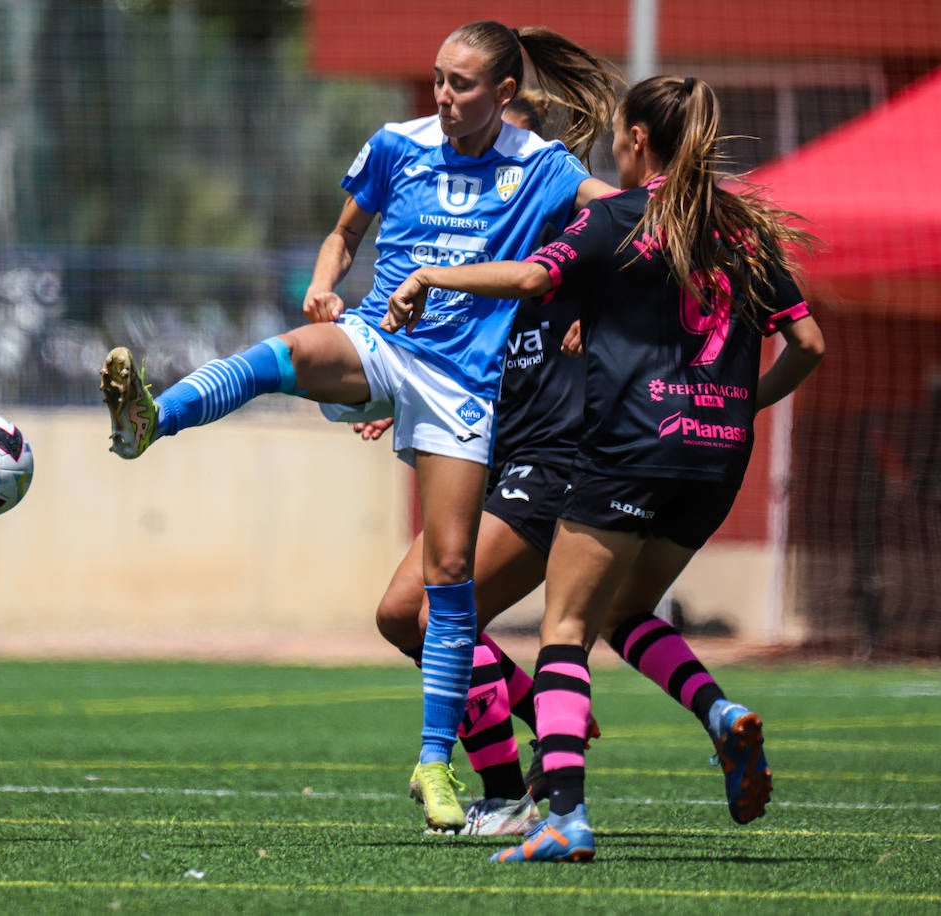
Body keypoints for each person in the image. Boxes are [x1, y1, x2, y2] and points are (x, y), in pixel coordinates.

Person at [98, 21, 620, 834]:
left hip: (459, 387)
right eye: (439, 78)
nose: (444, 97)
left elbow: (624, 218)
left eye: (464, 84)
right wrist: (320, 282)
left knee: (447, 579)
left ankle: (435, 765)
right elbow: (345, 233)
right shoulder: (395, 144)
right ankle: (151, 421)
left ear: (505, 94)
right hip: (382, 339)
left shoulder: (544, 169)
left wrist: (681, 216)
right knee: (289, 352)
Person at [383, 74, 825, 862]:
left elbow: (528, 278)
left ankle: (561, 815)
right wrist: (744, 403)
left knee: (565, 632)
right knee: (624, 616)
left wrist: (429, 275)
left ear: (639, 142)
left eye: (620, 137)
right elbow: (811, 344)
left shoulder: (617, 219)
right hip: (715, 458)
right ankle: (720, 714)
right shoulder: (741, 230)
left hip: (628, 448)